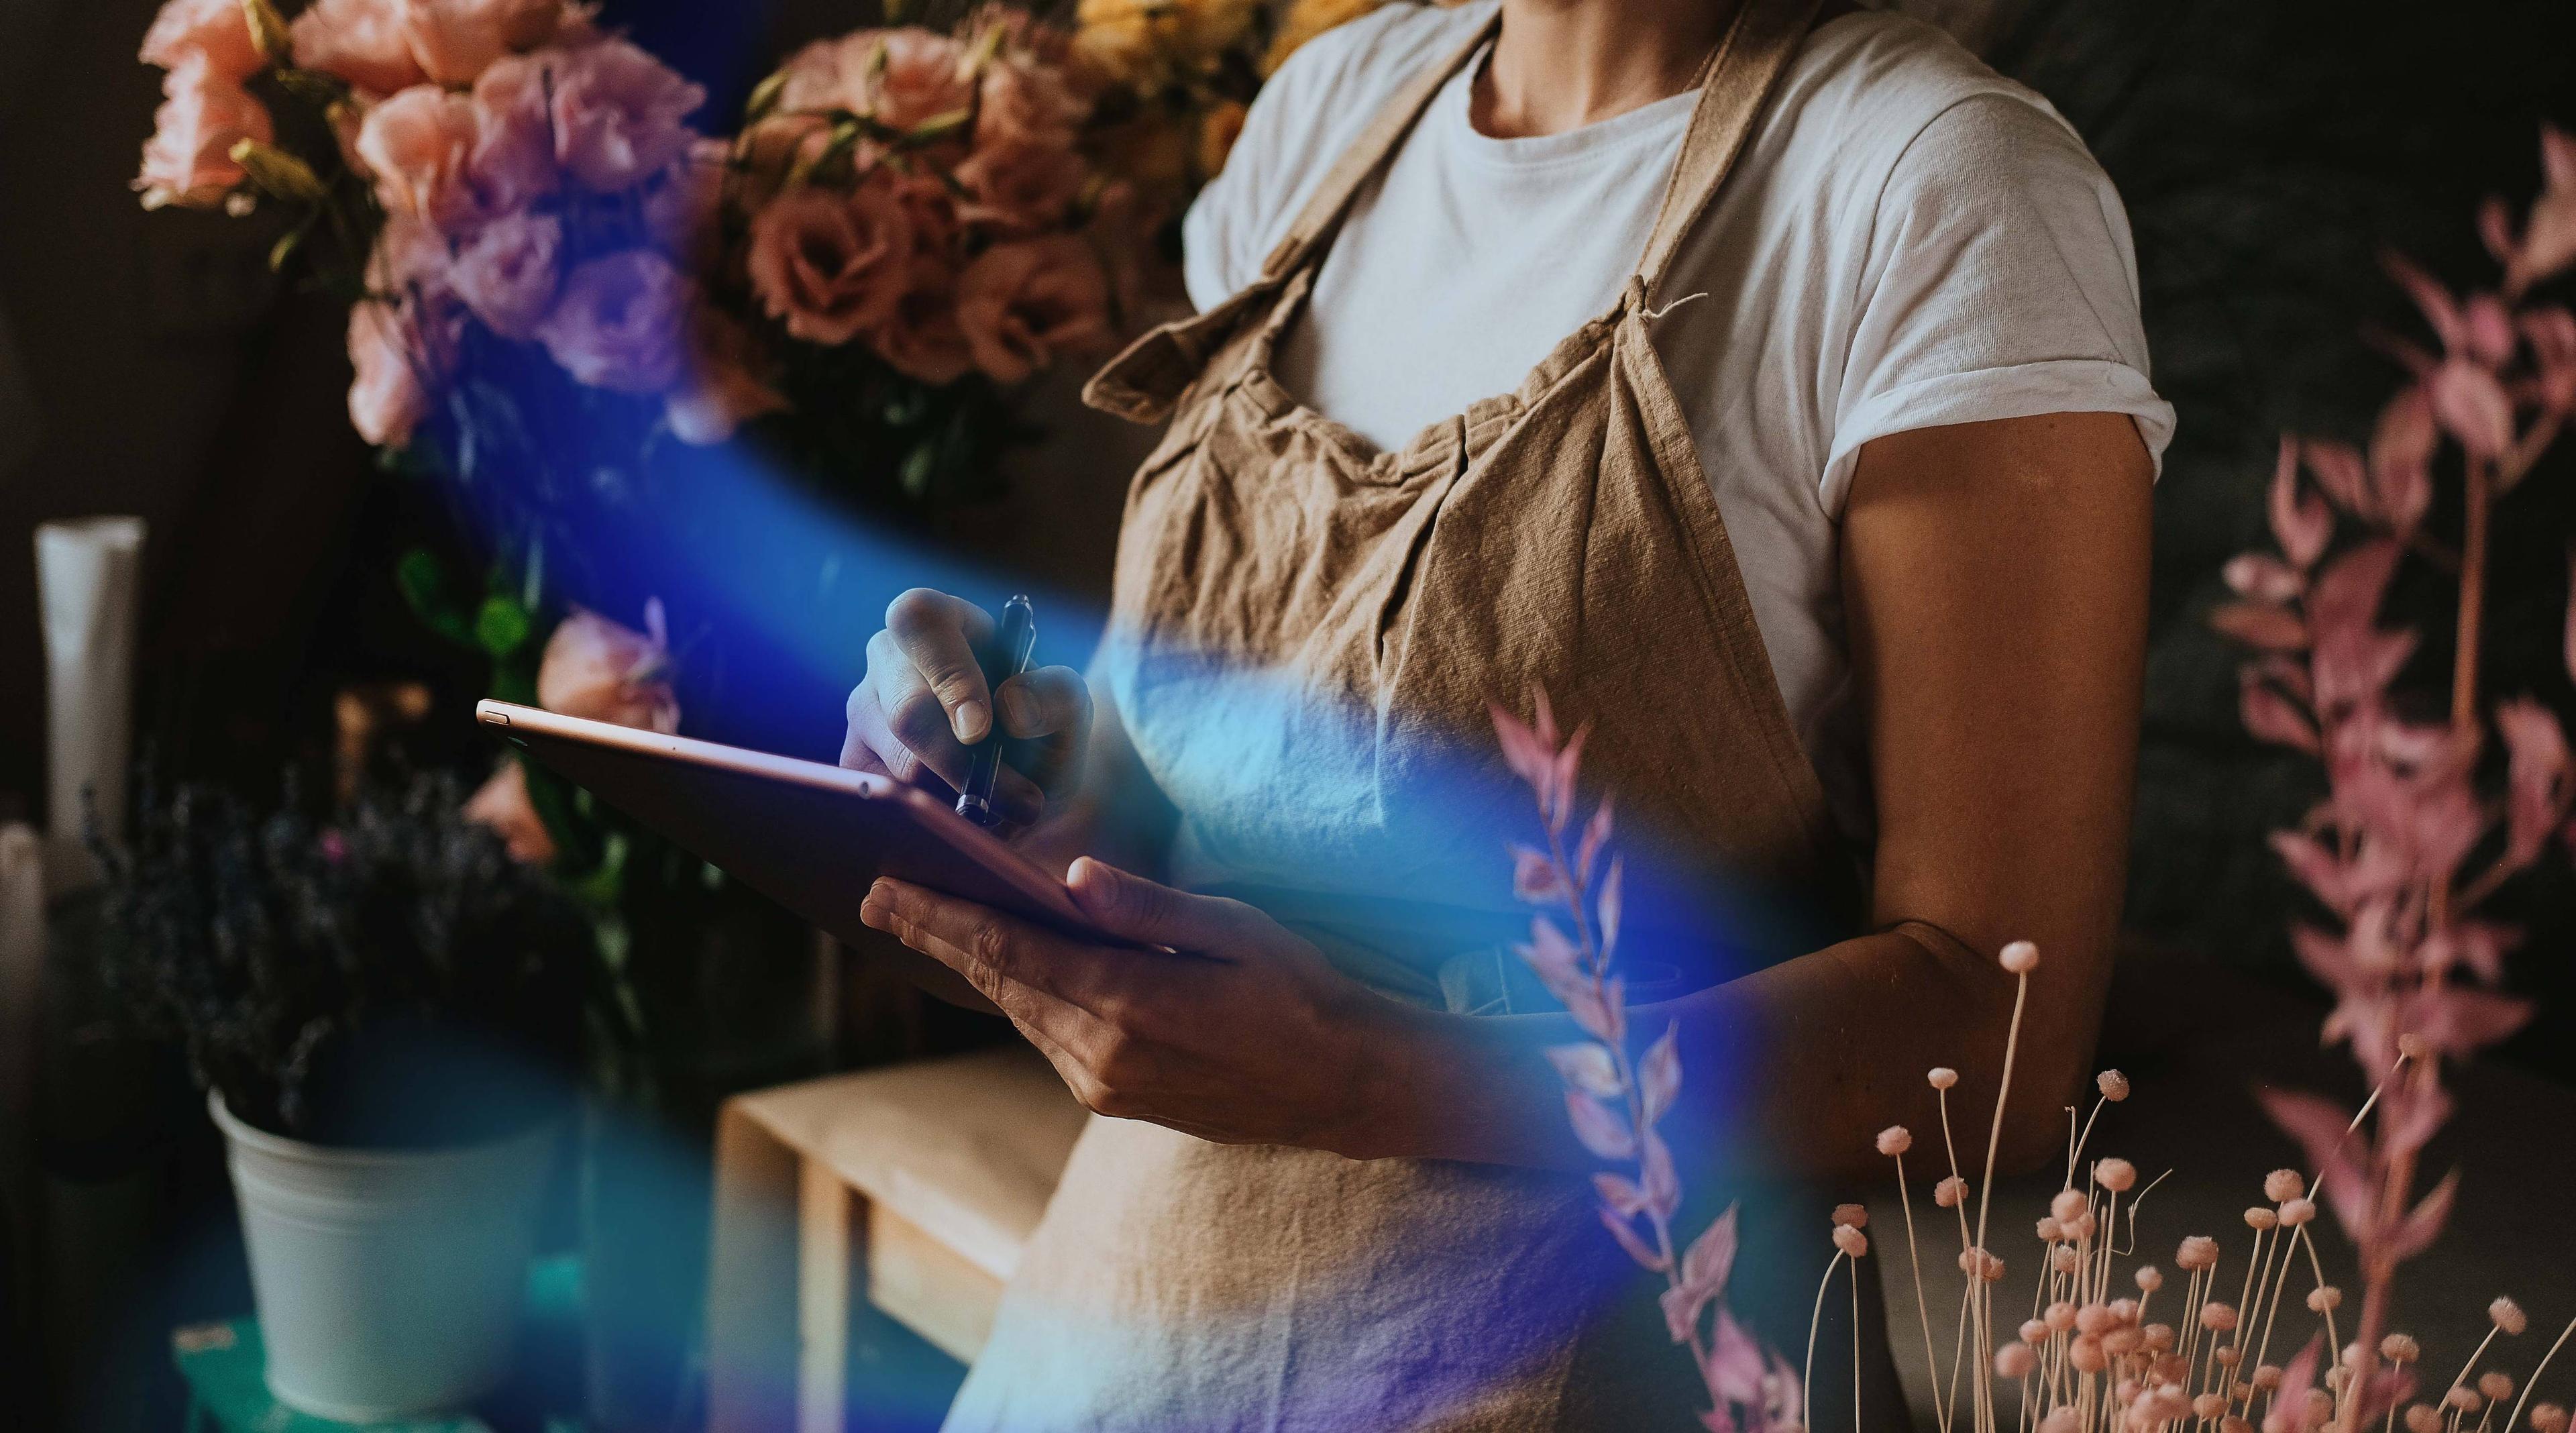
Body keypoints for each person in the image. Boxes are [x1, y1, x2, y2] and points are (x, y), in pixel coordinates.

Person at [841, 0, 2169, 1424]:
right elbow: (1240, 795)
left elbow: (2001, 1033)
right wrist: (1026, 774)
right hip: (1139, 1310)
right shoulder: (1339, 112)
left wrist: (1359, 1076)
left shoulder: (1938, 187)